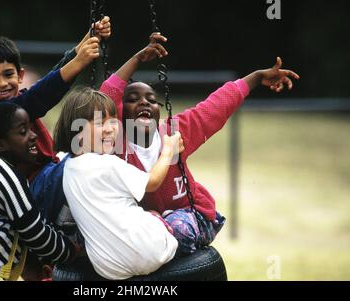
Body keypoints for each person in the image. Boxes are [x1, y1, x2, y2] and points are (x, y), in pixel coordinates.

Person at [98, 33, 300, 255]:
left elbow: (214, 108)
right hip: (146, 223)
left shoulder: (175, 133)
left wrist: (255, 77)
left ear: (158, 111)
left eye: (152, 100)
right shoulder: (115, 141)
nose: (145, 101)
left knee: (175, 229)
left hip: (192, 217)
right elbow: (104, 96)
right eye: (133, 99)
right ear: (119, 112)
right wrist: (137, 58)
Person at [53, 88, 182, 280]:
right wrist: (168, 151)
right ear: (76, 131)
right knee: (169, 218)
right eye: (99, 123)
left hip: (109, 269)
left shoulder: (66, 165)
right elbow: (153, 182)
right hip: (154, 251)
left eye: (113, 121)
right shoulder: (108, 164)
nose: (110, 128)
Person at [0, 17, 111, 179]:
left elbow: (48, 80)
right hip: (32, 185)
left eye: (8, 74)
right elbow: (40, 96)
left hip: (46, 174)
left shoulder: (19, 100)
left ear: (20, 76)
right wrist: (79, 62)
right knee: (88, 163)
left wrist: (86, 41)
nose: (2, 83)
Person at [0, 102, 78, 280]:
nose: (34, 135)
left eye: (31, 128)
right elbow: (34, 232)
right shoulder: (6, 175)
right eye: (23, 132)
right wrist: (70, 251)